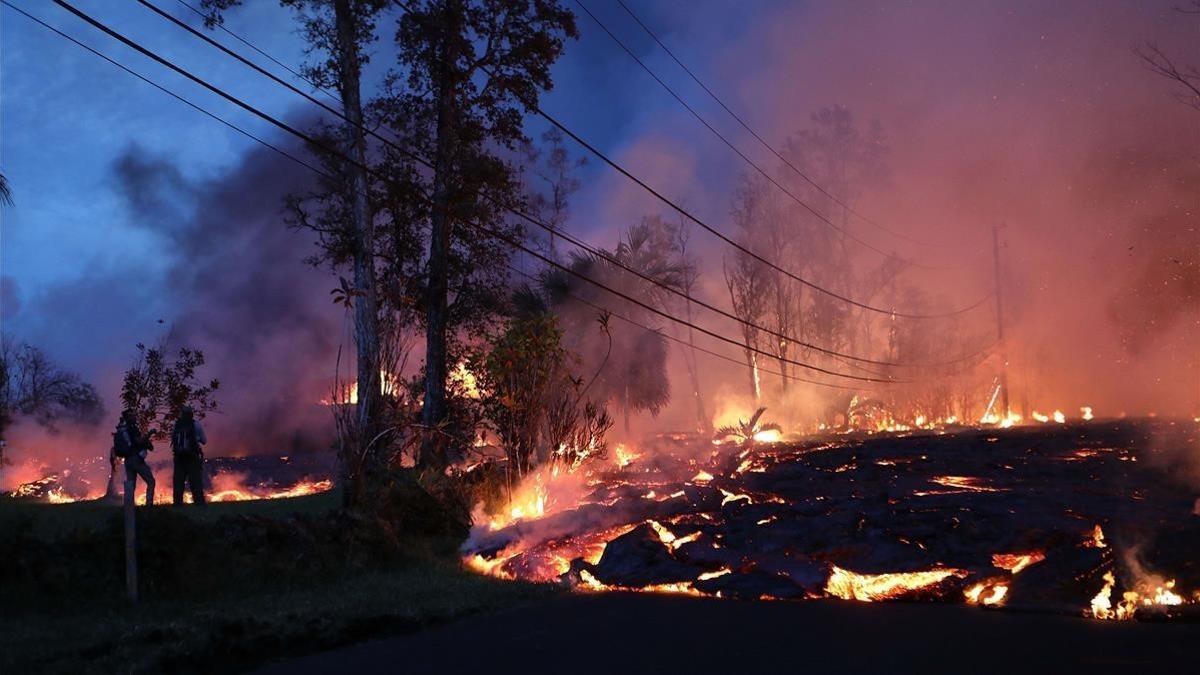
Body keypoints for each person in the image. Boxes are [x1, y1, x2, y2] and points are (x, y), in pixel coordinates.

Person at [113, 409, 155, 505]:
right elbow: (139, 441)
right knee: (151, 481)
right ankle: (149, 505)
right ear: (128, 417)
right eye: (133, 415)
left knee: (131, 485)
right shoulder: (132, 428)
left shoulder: (123, 429)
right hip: (136, 459)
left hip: (128, 461)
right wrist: (149, 434)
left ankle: (128, 506)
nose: (135, 417)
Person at [171, 405, 207, 505]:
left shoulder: (176, 425)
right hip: (192, 457)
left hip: (179, 458)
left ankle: (177, 505)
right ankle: (199, 504)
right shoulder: (196, 425)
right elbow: (204, 441)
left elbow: (173, 439)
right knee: (195, 482)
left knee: (178, 483)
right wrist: (197, 439)